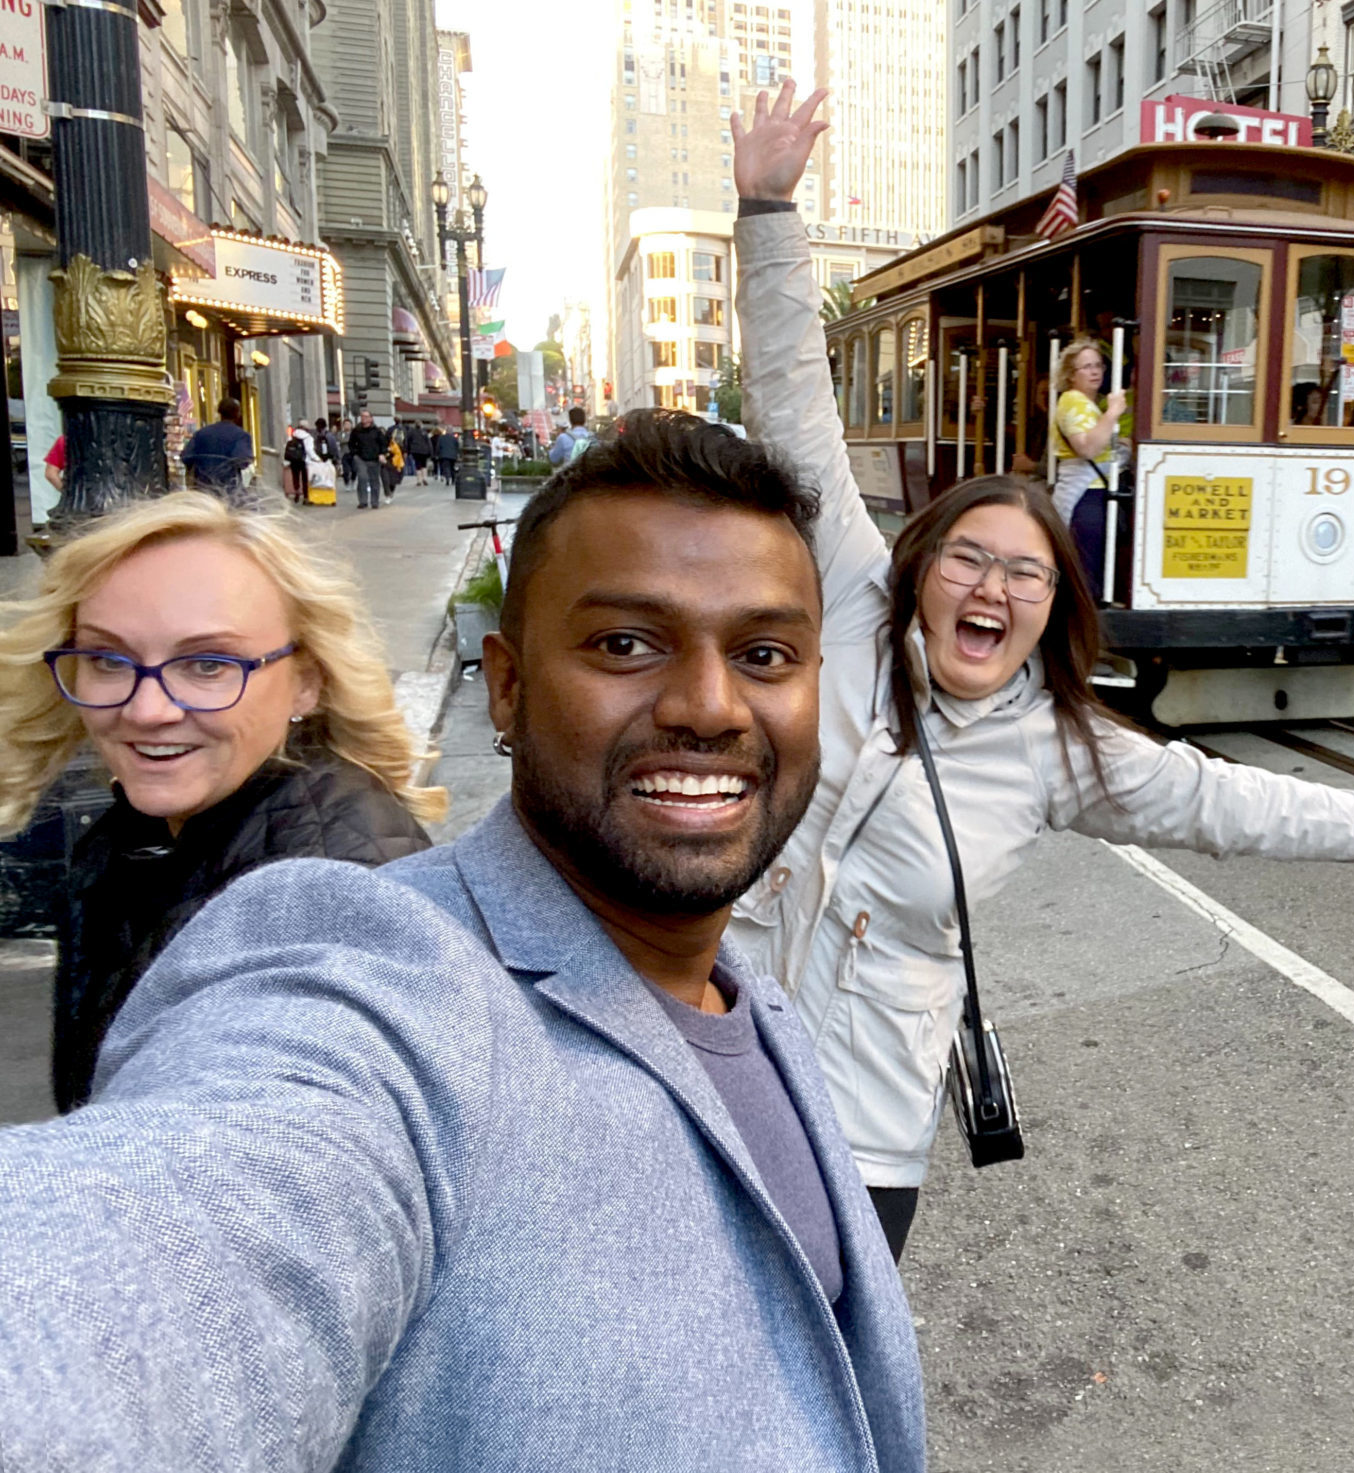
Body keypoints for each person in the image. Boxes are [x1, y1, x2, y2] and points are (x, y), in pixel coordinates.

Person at [0, 414, 924, 1471]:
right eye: (625, 643)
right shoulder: (377, 970)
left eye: (764, 653)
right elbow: (166, 1257)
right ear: (507, 684)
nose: (710, 706)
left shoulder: (743, 997)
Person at [730, 82, 1354, 1260]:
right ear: (918, 566)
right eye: (970, 560)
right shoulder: (849, 593)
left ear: (1054, 612)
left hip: (863, 1126)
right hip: (720, 1056)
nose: (992, 590)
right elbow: (792, 404)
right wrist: (764, 214)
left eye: (1026, 577)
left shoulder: (1059, 749)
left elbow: (1228, 803)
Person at [0, 491, 441, 1112]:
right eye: (107, 658)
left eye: (208, 665)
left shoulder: (325, 906)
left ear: (307, 681)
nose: (147, 709)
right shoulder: (157, 836)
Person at [1049, 338, 1129, 591]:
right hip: (1085, 496)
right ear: (1071, 375)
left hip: (1093, 492)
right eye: (1086, 367)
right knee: (1086, 571)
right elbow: (1087, 448)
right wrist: (1113, 413)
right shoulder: (1073, 400)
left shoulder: (1087, 404)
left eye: (1098, 365)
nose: (1095, 371)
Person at [180, 397, 255, 503]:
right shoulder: (241, 436)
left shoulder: (202, 433)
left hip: (203, 489)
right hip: (229, 491)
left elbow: (186, 457)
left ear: (220, 412)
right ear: (238, 414)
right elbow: (242, 460)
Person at [345, 409, 388, 509]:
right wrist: (355, 454)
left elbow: (383, 444)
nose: (363, 418)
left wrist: (382, 454)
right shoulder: (357, 431)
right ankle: (363, 501)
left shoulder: (377, 431)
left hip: (374, 459)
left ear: (371, 419)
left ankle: (374, 501)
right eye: (362, 416)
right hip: (361, 459)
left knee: (374, 480)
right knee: (362, 478)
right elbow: (351, 444)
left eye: (366, 416)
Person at [282, 423, 311, 504]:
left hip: (293, 460)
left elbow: (287, 449)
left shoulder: (292, 438)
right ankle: (305, 496)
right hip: (303, 460)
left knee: (295, 477)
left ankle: (297, 491)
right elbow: (309, 450)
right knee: (304, 478)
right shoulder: (306, 438)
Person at [405, 421, 433, 485]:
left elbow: (408, 441)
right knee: (424, 465)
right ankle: (424, 478)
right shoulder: (424, 432)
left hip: (415, 451)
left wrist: (407, 450)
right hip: (424, 451)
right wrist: (431, 452)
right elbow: (428, 442)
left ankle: (419, 480)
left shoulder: (411, 432)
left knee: (417, 465)